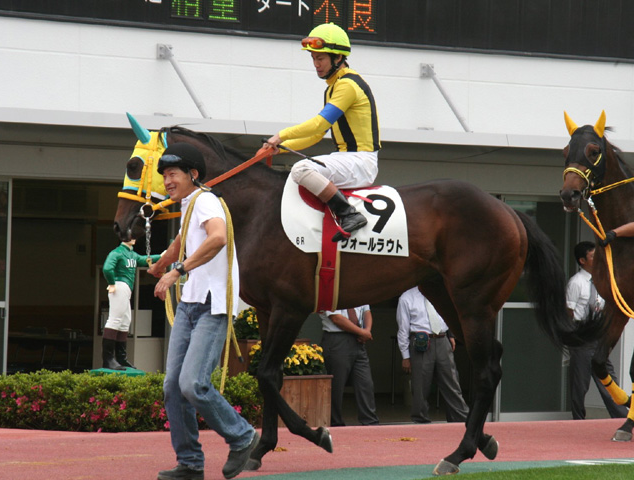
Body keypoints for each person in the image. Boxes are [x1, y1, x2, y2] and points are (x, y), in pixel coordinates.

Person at [147, 142, 258, 480]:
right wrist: (161, 263)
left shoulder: (206, 200)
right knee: (173, 387)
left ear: (193, 174)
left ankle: (243, 437)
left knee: (193, 383)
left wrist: (176, 271)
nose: (167, 181)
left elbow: (218, 237)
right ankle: (190, 463)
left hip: (212, 305)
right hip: (190, 305)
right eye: (165, 176)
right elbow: (181, 241)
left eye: (173, 174)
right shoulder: (190, 204)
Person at [263, 22, 381, 242]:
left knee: (301, 169)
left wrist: (281, 135)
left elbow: (318, 124)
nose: (316, 64)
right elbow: (317, 136)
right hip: (347, 158)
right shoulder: (333, 87)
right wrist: (281, 149)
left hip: (360, 161)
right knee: (298, 174)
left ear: (338, 57)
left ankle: (348, 214)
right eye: (313, 58)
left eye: (320, 58)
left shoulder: (347, 85)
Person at [566, 241, 628, 420]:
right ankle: (578, 419)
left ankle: (620, 416)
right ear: (582, 260)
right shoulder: (576, 282)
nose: (598, 259)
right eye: (593, 256)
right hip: (582, 334)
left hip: (600, 333)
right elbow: (569, 311)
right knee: (580, 381)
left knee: (607, 375)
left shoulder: (603, 280)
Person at [396, 287, 469, 424]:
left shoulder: (441, 293)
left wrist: (450, 335)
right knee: (420, 387)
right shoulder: (407, 297)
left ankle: (461, 420)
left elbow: (449, 315)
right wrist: (405, 356)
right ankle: (420, 421)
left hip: (442, 339)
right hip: (421, 342)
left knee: (452, 383)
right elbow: (403, 329)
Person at [101, 237, 162, 370]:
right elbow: (107, 268)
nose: (133, 238)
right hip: (119, 285)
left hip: (126, 288)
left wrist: (161, 256)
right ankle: (108, 359)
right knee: (115, 320)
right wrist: (111, 283)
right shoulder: (117, 252)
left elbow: (144, 259)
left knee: (125, 321)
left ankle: (121, 358)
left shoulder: (131, 254)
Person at [319, 305, 379, 426]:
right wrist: (362, 332)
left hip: (358, 340)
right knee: (336, 386)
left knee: (365, 384)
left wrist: (367, 330)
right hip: (337, 339)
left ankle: (370, 422)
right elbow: (336, 318)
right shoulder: (333, 294)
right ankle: (336, 424)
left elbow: (366, 311)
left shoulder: (358, 293)